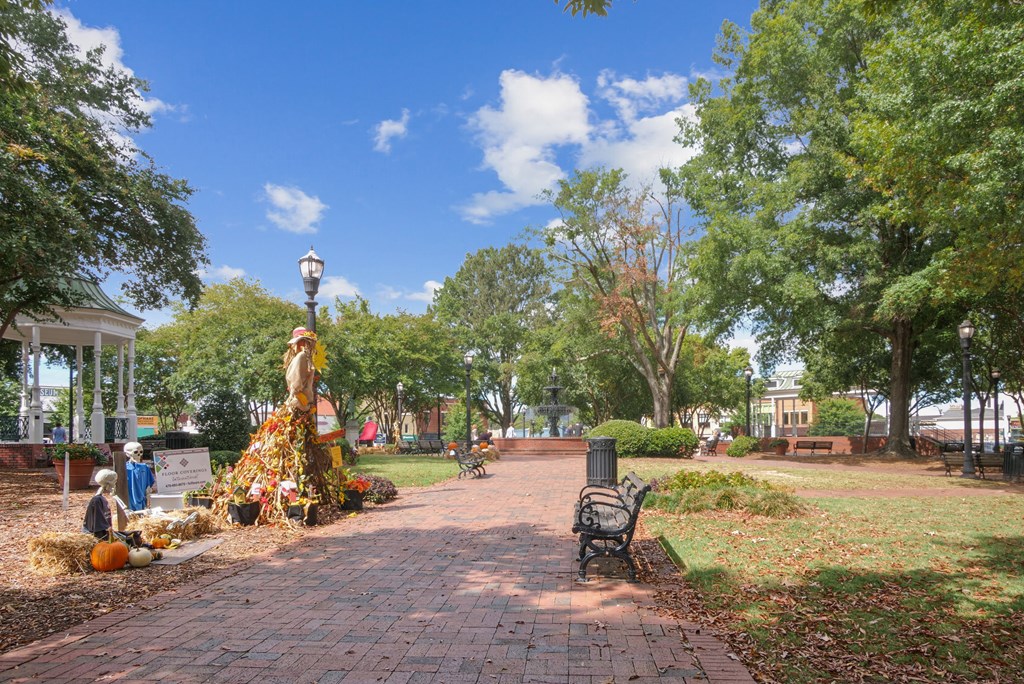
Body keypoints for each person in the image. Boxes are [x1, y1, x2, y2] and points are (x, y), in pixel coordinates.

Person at [83, 469, 118, 538]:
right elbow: (98, 526)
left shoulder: (102, 499)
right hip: (98, 537)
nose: (115, 483)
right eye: (114, 481)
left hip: (105, 534)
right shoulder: (97, 501)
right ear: (108, 484)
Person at [123, 441, 155, 511]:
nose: (139, 454)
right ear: (128, 454)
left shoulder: (144, 467)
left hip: (142, 497)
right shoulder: (124, 468)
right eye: (135, 452)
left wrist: (148, 492)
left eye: (141, 452)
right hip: (130, 497)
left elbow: (149, 483)